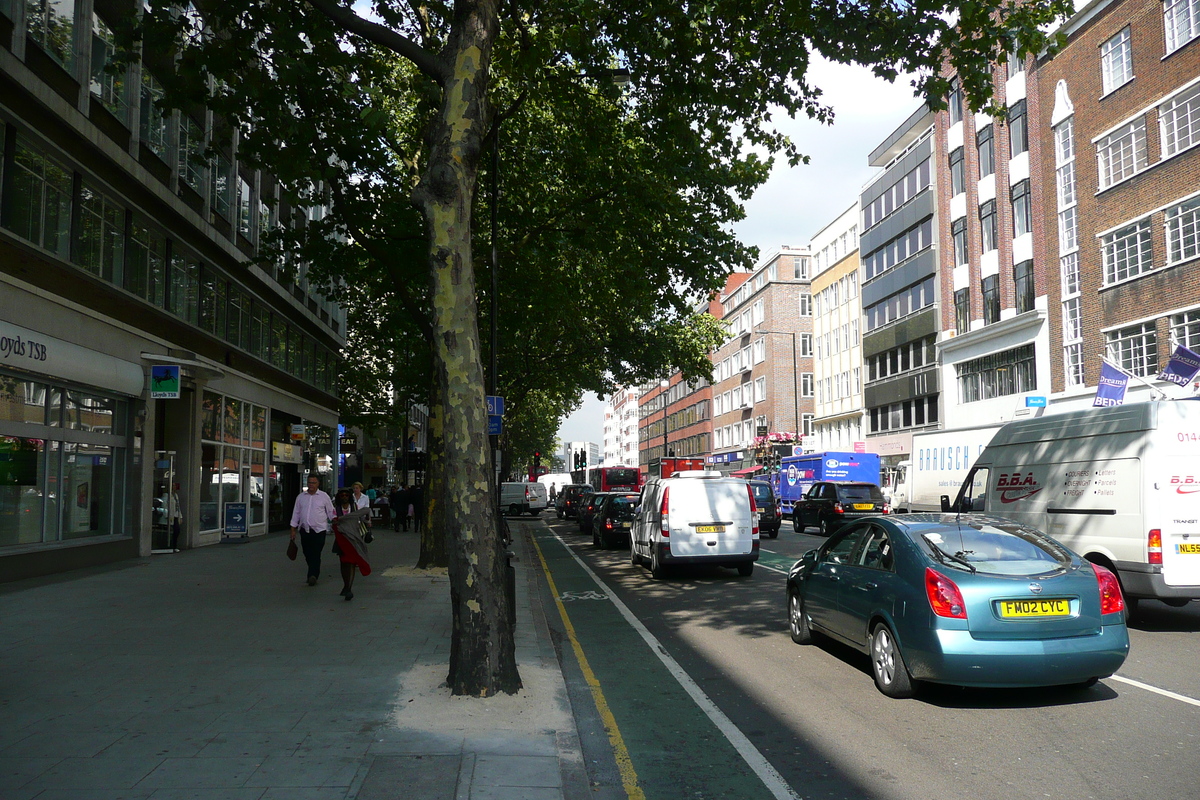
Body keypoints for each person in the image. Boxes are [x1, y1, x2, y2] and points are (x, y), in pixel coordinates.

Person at [289, 475, 335, 586]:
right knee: (307, 553)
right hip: (305, 530)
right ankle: (312, 571)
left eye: (314, 483)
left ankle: (312, 575)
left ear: (318, 484)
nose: (311, 485)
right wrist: (293, 529)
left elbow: (331, 512)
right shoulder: (301, 497)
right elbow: (296, 513)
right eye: (309, 482)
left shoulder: (324, 497)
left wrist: (335, 523)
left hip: (319, 530)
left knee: (315, 552)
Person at [331, 488, 372, 601]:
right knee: (344, 563)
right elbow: (331, 521)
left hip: (353, 539)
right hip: (341, 539)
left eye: (346, 495)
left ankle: (349, 588)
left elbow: (364, 514)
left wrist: (367, 521)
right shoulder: (336, 509)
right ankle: (346, 585)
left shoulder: (354, 507)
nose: (344, 497)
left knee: (352, 563)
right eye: (342, 495)